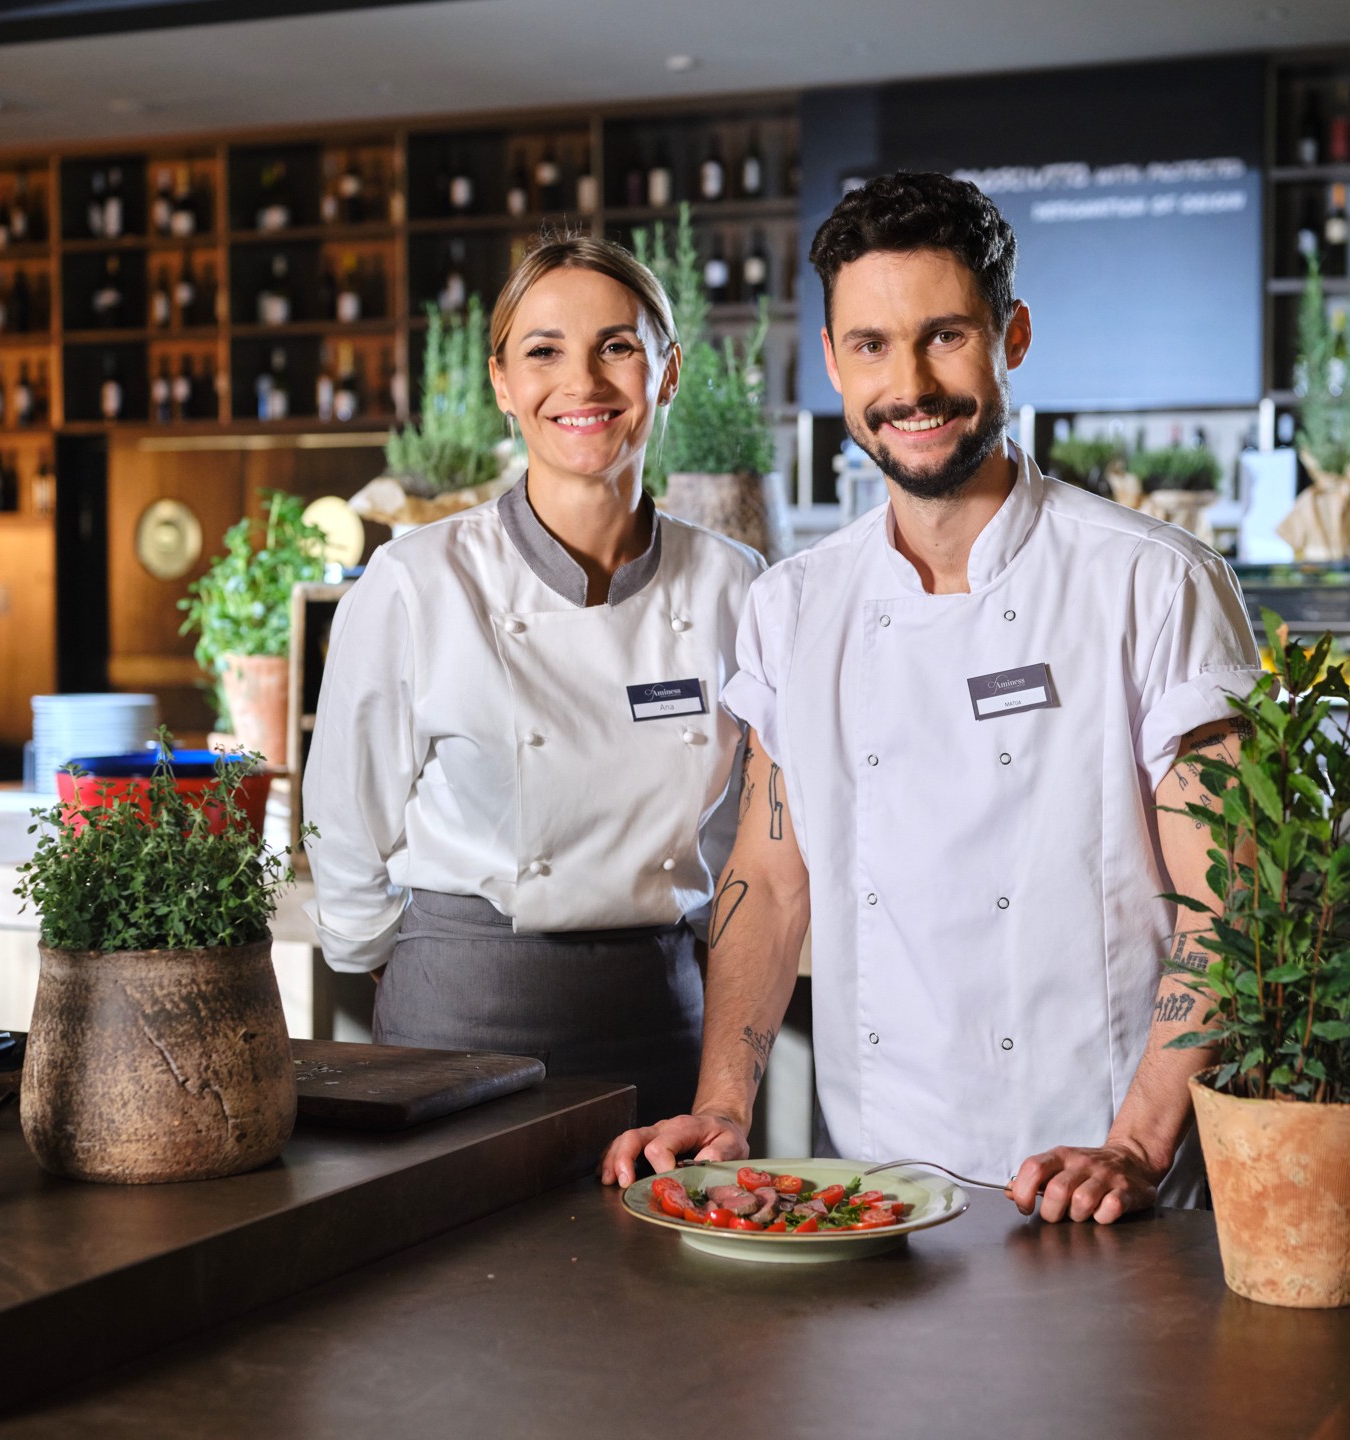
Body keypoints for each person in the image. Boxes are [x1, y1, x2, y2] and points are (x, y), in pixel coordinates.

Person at [602, 172, 1262, 1222]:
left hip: (1099, 1183)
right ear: (830, 360)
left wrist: (1135, 1145)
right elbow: (769, 886)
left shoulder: (1150, 581)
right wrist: (723, 1108)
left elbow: (1233, 895)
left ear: (1014, 336)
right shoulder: (795, 607)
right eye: (870, 345)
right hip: (875, 1186)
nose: (909, 383)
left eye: (945, 335)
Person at [305, 234, 763, 1120]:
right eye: (544, 351)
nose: (583, 383)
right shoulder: (417, 581)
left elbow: (745, 836)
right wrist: (400, 976)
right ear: (503, 384)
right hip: (459, 1017)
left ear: (667, 373)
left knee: (653, 1256)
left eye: (618, 347)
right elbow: (345, 826)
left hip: (663, 1014)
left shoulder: (734, 583)